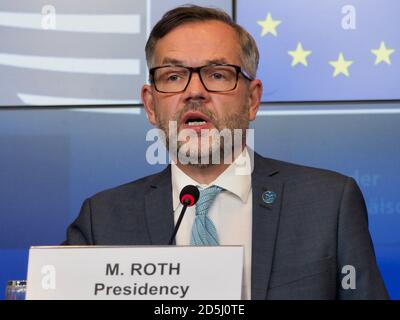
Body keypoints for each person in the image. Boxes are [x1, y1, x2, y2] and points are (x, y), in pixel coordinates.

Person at [64, 5, 389, 300]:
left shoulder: (329, 203)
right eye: (174, 77)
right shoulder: (103, 219)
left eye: (217, 74)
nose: (194, 92)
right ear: (151, 105)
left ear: (252, 99)